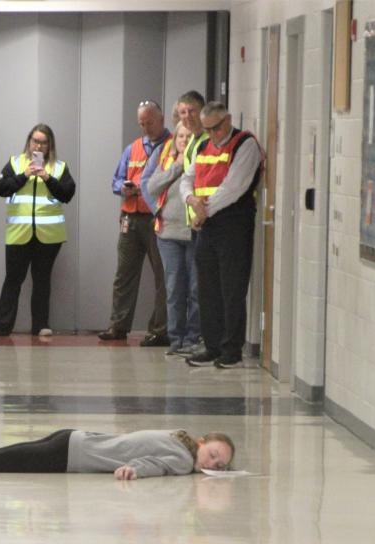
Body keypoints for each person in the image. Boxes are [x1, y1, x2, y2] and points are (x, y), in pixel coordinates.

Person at [179, 102, 262, 369]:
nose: (212, 134)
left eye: (216, 128)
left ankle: (231, 349)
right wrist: (191, 199)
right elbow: (186, 178)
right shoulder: (203, 147)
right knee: (207, 289)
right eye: (208, 129)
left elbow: (233, 187)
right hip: (207, 224)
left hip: (233, 224)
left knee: (232, 288)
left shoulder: (245, 144)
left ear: (227, 120)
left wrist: (204, 211)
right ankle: (212, 345)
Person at [0, 123, 77, 338]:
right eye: (35, 141)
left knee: (42, 279)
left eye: (44, 142)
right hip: (19, 232)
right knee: (13, 279)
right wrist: (25, 175)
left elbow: (67, 193)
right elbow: (1, 188)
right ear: (29, 142)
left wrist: (47, 177)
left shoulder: (59, 167)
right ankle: (0, 325)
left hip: (49, 235)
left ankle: (41, 325)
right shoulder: (16, 163)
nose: (39, 145)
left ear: (49, 145)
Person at [0, 429, 234, 478]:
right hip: (68, 458)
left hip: (72, 438)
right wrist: (132, 472)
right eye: (215, 454)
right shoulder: (185, 461)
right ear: (204, 442)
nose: (213, 463)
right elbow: (150, 464)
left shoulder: (175, 436)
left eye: (219, 463)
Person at [99, 101, 171, 346]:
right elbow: (115, 181)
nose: (145, 127)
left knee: (163, 276)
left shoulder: (173, 147)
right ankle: (117, 326)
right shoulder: (132, 149)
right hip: (131, 218)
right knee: (124, 275)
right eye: (141, 123)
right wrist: (124, 188)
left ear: (161, 119)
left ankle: (160, 330)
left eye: (149, 122)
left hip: (157, 218)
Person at [146, 122, 200, 356]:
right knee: (174, 287)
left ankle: (193, 337)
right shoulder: (168, 161)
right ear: (175, 139)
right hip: (168, 235)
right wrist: (177, 166)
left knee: (195, 289)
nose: (184, 140)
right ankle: (175, 338)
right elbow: (152, 187)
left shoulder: (200, 163)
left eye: (189, 136)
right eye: (180, 136)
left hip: (193, 233)